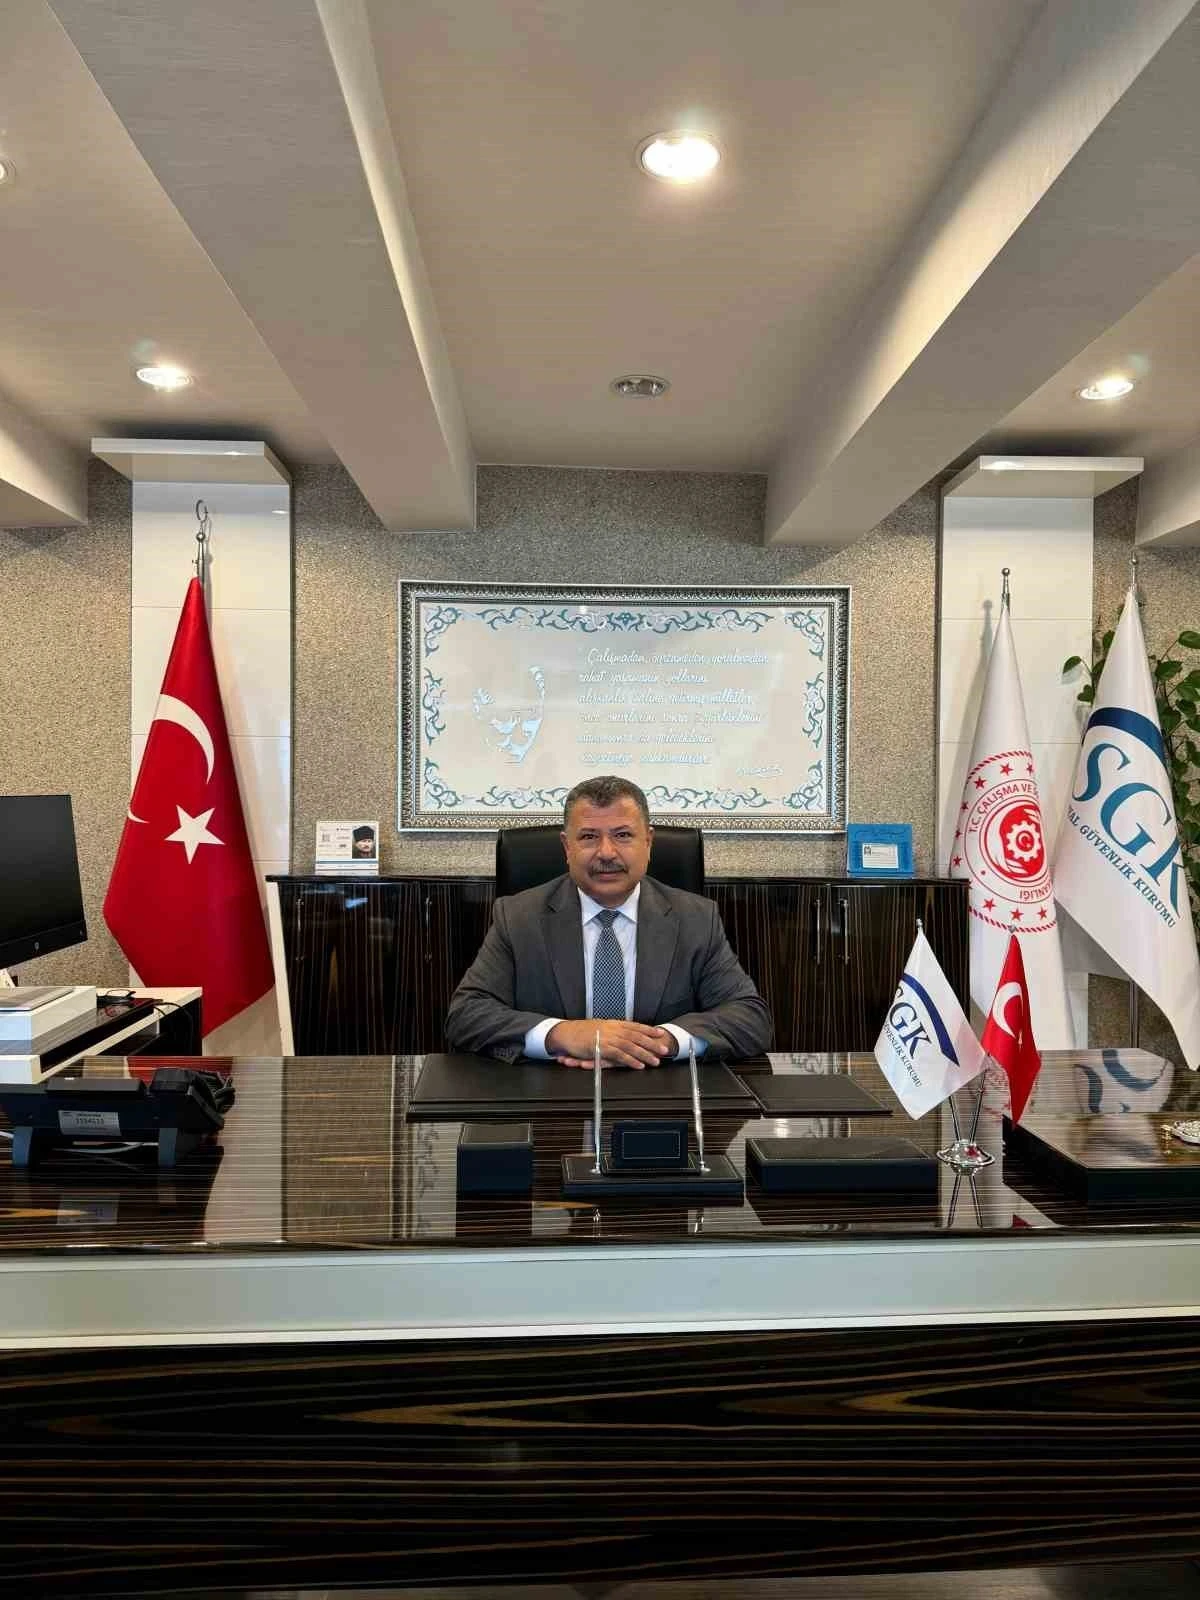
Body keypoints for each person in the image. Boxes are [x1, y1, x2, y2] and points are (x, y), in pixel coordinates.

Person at [445, 775, 772, 1066]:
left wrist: (660, 1042)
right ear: (567, 846)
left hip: (661, 1094)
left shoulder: (696, 919)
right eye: (589, 837)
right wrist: (561, 1033)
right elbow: (466, 1014)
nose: (606, 852)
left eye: (623, 835)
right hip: (550, 1097)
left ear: (648, 842)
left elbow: (749, 1018)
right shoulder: (518, 918)